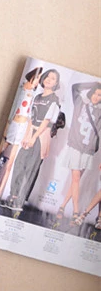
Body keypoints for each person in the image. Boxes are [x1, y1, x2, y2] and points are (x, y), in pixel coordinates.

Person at [3, 69, 61, 213]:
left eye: (53, 78)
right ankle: (13, 195)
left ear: (56, 83)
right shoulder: (37, 97)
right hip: (30, 133)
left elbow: (47, 121)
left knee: (30, 168)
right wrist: (27, 135)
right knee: (20, 163)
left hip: (41, 136)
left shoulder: (54, 100)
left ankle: (20, 201)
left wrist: (34, 138)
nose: (49, 79)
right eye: (47, 76)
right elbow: (30, 117)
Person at [0, 67, 43, 210]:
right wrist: (6, 129)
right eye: (38, 77)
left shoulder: (33, 94)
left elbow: (30, 117)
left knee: (9, 165)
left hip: (21, 129)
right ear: (32, 76)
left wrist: (28, 134)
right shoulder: (20, 89)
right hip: (11, 125)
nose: (38, 81)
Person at [53, 82, 101, 228]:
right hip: (75, 146)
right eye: (95, 93)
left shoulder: (100, 112)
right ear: (91, 92)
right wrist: (94, 84)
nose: (96, 97)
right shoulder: (80, 102)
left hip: (88, 150)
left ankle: (62, 206)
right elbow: (75, 87)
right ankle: (76, 211)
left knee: (76, 180)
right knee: (75, 178)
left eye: (100, 95)